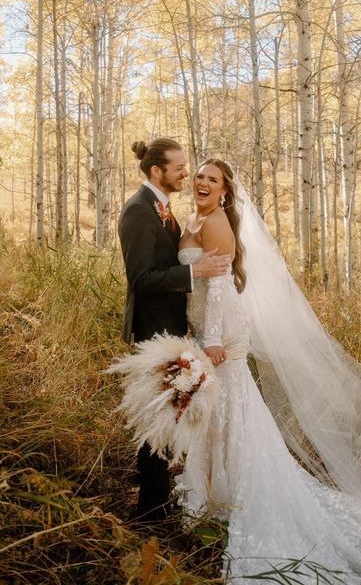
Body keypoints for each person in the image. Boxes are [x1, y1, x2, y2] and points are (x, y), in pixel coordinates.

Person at [176, 158, 361, 584]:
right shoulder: (197, 217)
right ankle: (220, 493)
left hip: (222, 329)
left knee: (230, 404)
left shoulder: (216, 221)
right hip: (205, 325)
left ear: (225, 191)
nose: (201, 182)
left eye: (211, 179)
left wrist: (212, 338)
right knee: (221, 406)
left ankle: (233, 494)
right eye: (198, 176)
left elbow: (218, 286)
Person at [118, 139, 230, 522]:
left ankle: (157, 502)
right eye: (180, 168)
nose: (186, 173)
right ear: (156, 172)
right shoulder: (137, 212)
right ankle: (150, 512)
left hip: (175, 327)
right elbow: (141, 279)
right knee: (158, 421)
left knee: (169, 416)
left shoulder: (162, 208)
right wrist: (194, 272)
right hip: (154, 330)